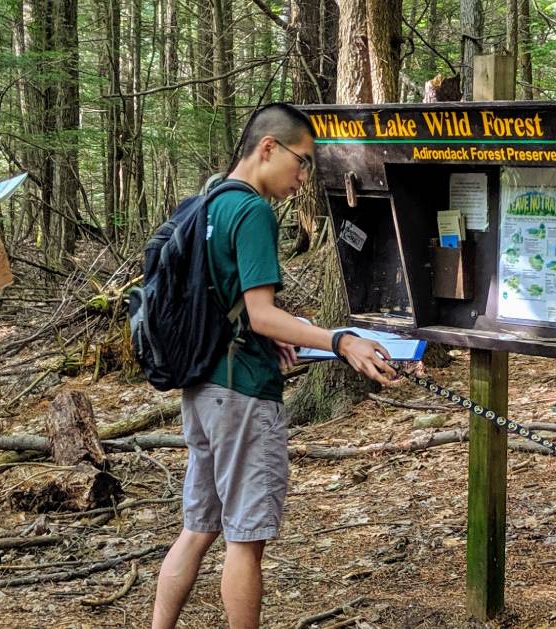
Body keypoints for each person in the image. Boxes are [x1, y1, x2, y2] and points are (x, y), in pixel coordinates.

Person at [149, 103, 397, 629]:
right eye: (302, 162)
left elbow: (234, 307)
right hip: (242, 397)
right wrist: (340, 340)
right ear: (268, 148)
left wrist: (277, 332)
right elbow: (262, 315)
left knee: (197, 529)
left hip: (201, 389)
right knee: (245, 540)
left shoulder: (209, 200)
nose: (304, 178)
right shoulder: (253, 211)